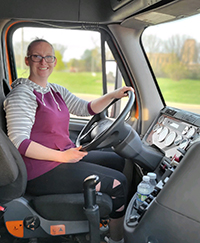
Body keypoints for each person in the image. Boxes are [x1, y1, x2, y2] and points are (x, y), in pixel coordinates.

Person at [4, 39, 134, 243]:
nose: (43, 62)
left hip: (62, 157)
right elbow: (19, 142)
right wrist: (63, 156)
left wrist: (114, 95)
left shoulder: (55, 91)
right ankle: (116, 238)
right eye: (37, 56)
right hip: (42, 170)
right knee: (119, 183)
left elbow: (86, 108)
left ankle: (112, 219)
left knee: (118, 160)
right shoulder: (22, 94)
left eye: (48, 57)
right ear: (28, 60)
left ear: (54, 61)